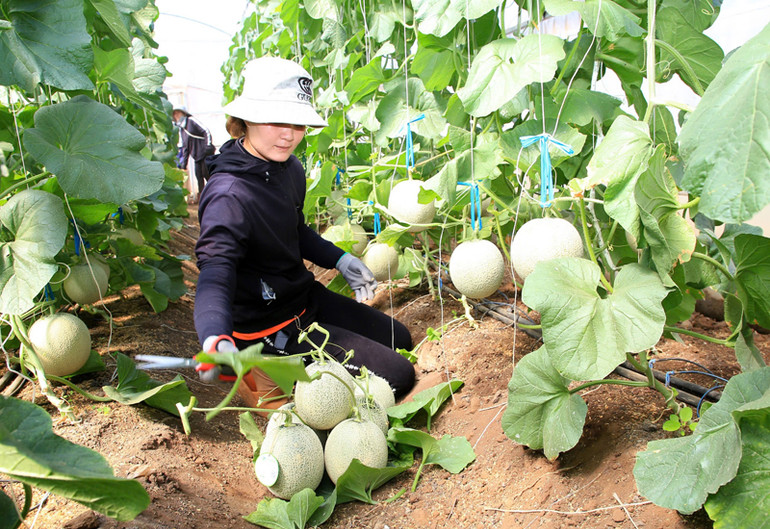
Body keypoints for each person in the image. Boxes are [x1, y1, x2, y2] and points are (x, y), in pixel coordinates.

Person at [193, 57, 415, 415]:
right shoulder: (228, 195)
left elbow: (294, 230)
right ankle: (262, 369)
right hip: (267, 328)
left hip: (303, 300)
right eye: (277, 121)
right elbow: (215, 275)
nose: (289, 134)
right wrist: (216, 335)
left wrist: (339, 259)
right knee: (397, 376)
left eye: (298, 123)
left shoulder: (288, 168)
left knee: (399, 338)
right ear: (246, 119)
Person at [173, 106, 215, 203]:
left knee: (207, 174)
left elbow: (206, 131)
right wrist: (184, 164)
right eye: (174, 114)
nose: (176, 116)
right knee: (198, 176)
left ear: (183, 113)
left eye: (177, 113)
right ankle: (203, 199)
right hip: (196, 156)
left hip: (204, 153)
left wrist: (207, 146)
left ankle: (215, 194)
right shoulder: (182, 129)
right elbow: (185, 147)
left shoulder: (191, 121)